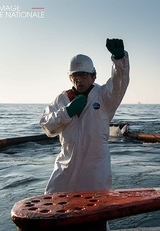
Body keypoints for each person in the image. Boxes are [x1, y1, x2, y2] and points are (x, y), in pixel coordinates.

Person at [39, 38, 129, 230]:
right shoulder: (61, 100)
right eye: (75, 76)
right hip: (64, 169)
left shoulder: (105, 97)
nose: (80, 80)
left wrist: (119, 59)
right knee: (54, 214)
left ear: (94, 76)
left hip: (94, 172)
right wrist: (67, 112)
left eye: (85, 75)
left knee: (95, 220)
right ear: (70, 77)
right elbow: (46, 126)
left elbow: (120, 82)